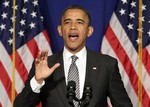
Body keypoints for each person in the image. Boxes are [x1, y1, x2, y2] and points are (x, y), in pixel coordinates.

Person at [14, 5, 133, 107]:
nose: (73, 27)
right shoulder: (46, 65)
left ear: (89, 31)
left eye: (80, 22)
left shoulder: (107, 65)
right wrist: (38, 81)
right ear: (60, 30)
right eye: (67, 22)